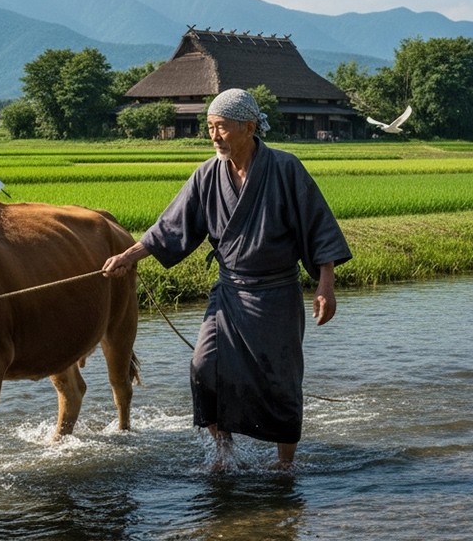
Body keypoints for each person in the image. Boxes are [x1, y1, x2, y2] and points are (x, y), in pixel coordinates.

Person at [102, 88, 351, 470]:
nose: (214, 136)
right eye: (209, 128)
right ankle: (223, 451)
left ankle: (285, 463)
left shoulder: (285, 169)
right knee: (204, 366)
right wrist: (128, 256)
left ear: (249, 127)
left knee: (280, 377)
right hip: (229, 292)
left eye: (221, 127)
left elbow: (317, 228)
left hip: (276, 294)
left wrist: (326, 284)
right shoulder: (207, 174)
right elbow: (171, 227)